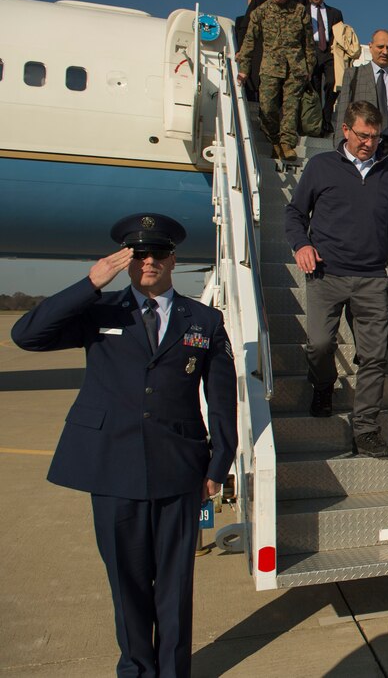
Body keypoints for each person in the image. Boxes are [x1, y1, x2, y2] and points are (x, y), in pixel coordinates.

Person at [11, 213, 238, 677]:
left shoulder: (205, 319)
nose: (149, 261)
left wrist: (219, 466)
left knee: (175, 585)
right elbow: (27, 335)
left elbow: (221, 399)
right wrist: (91, 283)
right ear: (127, 261)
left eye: (158, 253)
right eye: (139, 255)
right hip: (112, 468)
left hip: (179, 467)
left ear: (173, 258)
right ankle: (135, 669)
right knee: (127, 582)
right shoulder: (99, 311)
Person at [285, 100, 388, 458]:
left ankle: (366, 430)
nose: (368, 143)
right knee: (320, 344)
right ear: (345, 130)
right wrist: (302, 245)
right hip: (326, 274)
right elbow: (294, 213)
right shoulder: (321, 166)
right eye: (362, 135)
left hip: (372, 279)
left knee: (374, 357)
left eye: (374, 137)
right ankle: (323, 383)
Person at [237, 0, 315, 161]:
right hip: (271, 66)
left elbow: (308, 43)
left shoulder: (299, 11)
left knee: (291, 107)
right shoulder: (261, 12)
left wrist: (309, 68)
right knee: (267, 107)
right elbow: (249, 42)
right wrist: (244, 69)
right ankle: (274, 140)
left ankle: (287, 144)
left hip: (295, 67)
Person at [335, 29, 388, 199]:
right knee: (363, 193)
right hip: (364, 142)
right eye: (380, 46)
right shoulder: (354, 75)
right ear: (370, 47)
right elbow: (343, 110)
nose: (385, 52)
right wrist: (340, 145)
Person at [304, 0, 343, 136]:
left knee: (333, 82)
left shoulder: (335, 13)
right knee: (314, 85)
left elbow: (341, 34)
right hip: (311, 50)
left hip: (329, 51)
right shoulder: (303, 11)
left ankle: (327, 114)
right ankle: (318, 122)